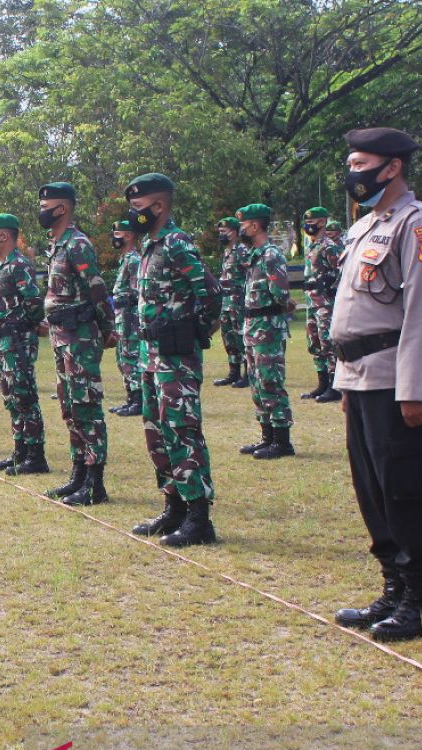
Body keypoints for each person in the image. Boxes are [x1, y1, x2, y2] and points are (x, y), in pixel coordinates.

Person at [329, 127, 422, 642]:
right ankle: (393, 588)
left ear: (391, 167)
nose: (353, 173)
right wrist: (345, 382)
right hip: (362, 377)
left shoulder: (419, 226)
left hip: (398, 380)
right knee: (373, 492)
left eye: (360, 163)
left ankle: (420, 602)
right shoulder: (364, 227)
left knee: (406, 492)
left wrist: (414, 390)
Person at [125, 173, 221, 547]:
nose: (133, 215)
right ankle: (173, 508)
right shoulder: (150, 245)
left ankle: (199, 518)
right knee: (157, 433)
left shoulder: (177, 243)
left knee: (182, 430)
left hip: (175, 358)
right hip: (152, 357)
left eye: (137, 208)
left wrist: (192, 334)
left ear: (159, 206)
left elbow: (210, 293)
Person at [36, 183, 114, 504]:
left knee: (86, 405)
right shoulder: (57, 244)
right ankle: (78, 473)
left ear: (62, 209)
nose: (41, 212)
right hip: (61, 336)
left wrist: (108, 327)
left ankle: (95, 483)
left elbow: (96, 289)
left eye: (46, 206)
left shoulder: (78, 244)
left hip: (80, 335)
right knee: (69, 405)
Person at [0, 214, 48, 475]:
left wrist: (30, 325)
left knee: (24, 395)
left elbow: (33, 301)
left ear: (4, 236)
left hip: (18, 340)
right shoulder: (3, 266)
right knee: (11, 396)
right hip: (4, 341)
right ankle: (20, 451)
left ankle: (36, 456)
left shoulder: (18, 264)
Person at [235, 204, 295, 460]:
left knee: (271, 382)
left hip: (268, 330)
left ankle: (282, 441)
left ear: (255, 225)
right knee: (257, 384)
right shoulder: (255, 255)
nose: (241, 229)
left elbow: (281, 294)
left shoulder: (271, 255)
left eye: (244, 224)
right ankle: (266, 437)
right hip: (253, 329)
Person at [300, 206, 344, 403]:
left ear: (323, 222)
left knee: (328, 343)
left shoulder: (329, 246)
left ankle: (335, 387)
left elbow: (341, 272)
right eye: (307, 221)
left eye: (313, 221)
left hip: (326, 303)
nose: (309, 225)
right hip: (312, 301)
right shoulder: (312, 245)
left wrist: (326, 283)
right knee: (314, 342)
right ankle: (322, 383)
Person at [107, 221, 143, 417]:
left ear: (128, 236)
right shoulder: (125, 260)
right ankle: (130, 398)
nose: (114, 238)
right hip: (122, 315)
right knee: (122, 357)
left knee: (131, 356)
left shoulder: (134, 260)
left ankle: (139, 400)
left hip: (130, 315)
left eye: (118, 234)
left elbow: (139, 292)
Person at [213, 217, 250, 389]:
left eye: (224, 231)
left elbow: (250, 275)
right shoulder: (227, 252)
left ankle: (247, 373)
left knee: (241, 335)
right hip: (226, 301)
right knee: (229, 337)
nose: (221, 235)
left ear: (234, 232)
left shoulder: (242, 251)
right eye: (219, 232)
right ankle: (233, 372)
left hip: (238, 300)